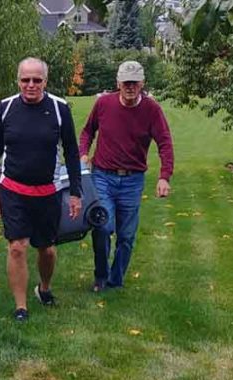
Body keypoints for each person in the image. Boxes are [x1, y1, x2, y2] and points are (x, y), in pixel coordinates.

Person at [0, 57, 83, 322]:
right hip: (13, 190)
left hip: (47, 191)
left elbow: (71, 152)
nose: (31, 85)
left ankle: (44, 288)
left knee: (46, 249)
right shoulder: (6, 108)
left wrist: (76, 193)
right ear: (18, 81)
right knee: (17, 247)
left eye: (37, 80)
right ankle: (21, 307)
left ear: (45, 81)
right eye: (26, 80)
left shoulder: (59, 109)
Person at [79, 60, 174, 292]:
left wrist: (164, 176)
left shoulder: (151, 110)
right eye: (126, 83)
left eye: (134, 83)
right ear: (118, 83)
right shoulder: (104, 104)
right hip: (103, 176)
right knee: (102, 226)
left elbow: (164, 143)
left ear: (142, 83)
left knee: (126, 236)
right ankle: (101, 276)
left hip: (132, 180)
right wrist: (83, 154)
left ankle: (116, 279)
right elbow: (87, 132)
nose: (130, 87)